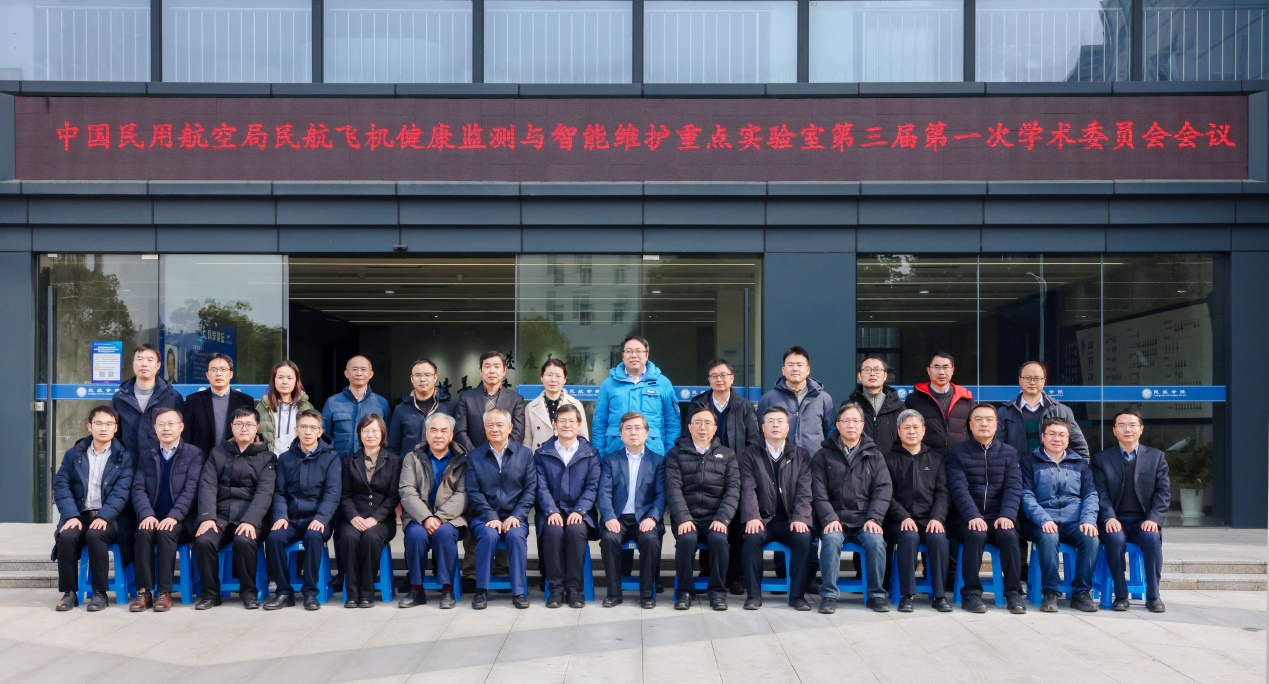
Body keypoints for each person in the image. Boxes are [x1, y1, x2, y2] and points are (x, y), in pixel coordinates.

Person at [52, 406, 136, 611]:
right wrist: (71, 515)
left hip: (111, 518)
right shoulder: (74, 454)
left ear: (116, 428)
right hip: (80, 515)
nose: (103, 428)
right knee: (66, 536)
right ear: (90, 426)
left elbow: (122, 493)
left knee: (95, 535)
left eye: (109, 424)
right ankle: (69, 593)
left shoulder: (125, 457)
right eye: (98, 423)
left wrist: (104, 516)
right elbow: (61, 485)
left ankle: (100, 593)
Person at [811, 402, 892, 614]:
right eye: (846, 421)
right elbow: (818, 492)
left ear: (862, 425)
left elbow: (883, 489)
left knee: (876, 542)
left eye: (856, 421)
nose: (851, 425)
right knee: (831, 540)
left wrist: (874, 518)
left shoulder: (874, 455)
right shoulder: (823, 455)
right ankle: (828, 595)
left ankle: (876, 595)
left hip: (864, 519)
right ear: (837, 425)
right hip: (835, 518)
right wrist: (829, 518)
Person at [945, 403, 1026, 614]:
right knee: (976, 535)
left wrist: (1007, 515)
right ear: (970, 425)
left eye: (989, 419)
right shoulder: (956, 453)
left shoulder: (1009, 453)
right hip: (967, 518)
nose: (984, 424)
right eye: (978, 419)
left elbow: (1014, 487)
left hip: (999, 517)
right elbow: (958, 488)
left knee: (1009, 535)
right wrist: (972, 515)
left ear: (996, 425)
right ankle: (971, 594)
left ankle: (1013, 592)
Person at [688, 358, 760, 595]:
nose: (719, 379)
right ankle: (708, 570)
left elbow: (753, 441)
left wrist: (743, 470)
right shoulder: (698, 404)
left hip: (735, 471)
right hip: (704, 470)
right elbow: (687, 436)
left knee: (735, 523)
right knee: (708, 517)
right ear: (709, 380)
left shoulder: (744, 406)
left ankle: (735, 574)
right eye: (714, 375)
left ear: (732, 378)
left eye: (724, 375)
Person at [192, 407, 276, 610]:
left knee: (244, 540)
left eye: (249, 424)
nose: (244, 428)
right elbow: (207, 486)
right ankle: (210, 594)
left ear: (256, 427)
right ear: (232, 427)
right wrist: (207, 517)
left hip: (250, 517)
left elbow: (264, 493)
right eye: (239, 424)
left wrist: (250, 520)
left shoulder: (267, 458)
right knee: (203, 541)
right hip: (220, 516)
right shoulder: (217, 453)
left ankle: (249, 593)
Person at [1091, 409, 1169, 613]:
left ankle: (1153, 595)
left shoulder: (1156, 457)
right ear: (1114, 430)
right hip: (1115, 519)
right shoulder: (1102, 458)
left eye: (1132, 425)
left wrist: (1154, 518)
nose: (1128, 429)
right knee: (1114, 539)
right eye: (1122, 425)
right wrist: (1108, 517)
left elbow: (1163, 493)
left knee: (1152, 538)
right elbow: (1100, 492)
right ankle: (1120, 594)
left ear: (1141, 429)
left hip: (1144, 520)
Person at [1020, 417, 1100, 613]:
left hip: (1074, 521)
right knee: (1049, 537)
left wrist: (1088, 520)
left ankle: (1081, 593)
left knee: (1091, 538)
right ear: (1043, 437)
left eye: (1062, 435)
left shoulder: (1080, 463)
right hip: (1041, 521)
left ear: (1068, 438)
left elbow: (1091, 495)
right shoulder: (1030, 462)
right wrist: (1043, 519)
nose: (1057, 439)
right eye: (1052, 434)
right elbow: (1025, 495)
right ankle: (1050, 591)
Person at [264, 409, 342, 611]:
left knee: (313, 537)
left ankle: (310, 593)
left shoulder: (331, 457)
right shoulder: (285, 459)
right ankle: (284, 592)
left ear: (320, 431)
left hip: (317, 518)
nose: (308, 432)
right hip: (291, 518)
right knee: (274, 538)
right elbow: (280, 492)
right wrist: (281, 516)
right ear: (296, 429)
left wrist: (321, 518)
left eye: (313, 428)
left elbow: (332, 493)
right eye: (304, 427)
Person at [738, 406, 813, 611]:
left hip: (790, 519)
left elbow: (805, 491)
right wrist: (752, 516)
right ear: (763, 427)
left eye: (780, 421)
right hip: (763, 519)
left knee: (803, 538)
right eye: (770, 421)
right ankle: (753, 595)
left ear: (788, 427)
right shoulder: (749, 454)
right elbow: (747, 488)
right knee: (751, 537)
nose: (775, 425)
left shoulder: (801, 455)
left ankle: (797, 596)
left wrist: (800, 517)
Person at [665, 405, 739, 611]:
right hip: (687, 517)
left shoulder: (728, 455)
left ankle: (717, 592)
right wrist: (683, 518)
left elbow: (733, 490)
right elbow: (673, 489)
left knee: (719, 540)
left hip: (715, 518)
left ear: (715, 428)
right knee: (686, 540)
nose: (702, 427)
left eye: (708, 423)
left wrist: (723, 518)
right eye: (697, 423)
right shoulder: (676, 454)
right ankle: (684, 592)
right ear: (689, 427)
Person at [130, 407, 203, 612]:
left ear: (181, 427)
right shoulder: (147, 455)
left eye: (171, 424)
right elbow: (138, 488)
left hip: (182, 520)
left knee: (166, 532)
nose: (166, 428)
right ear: (155, 428)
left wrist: (174, 516)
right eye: (161, 424)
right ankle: (144, 592)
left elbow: (191, 490)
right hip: (153, 516)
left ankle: (164, 592)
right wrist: (147, 514)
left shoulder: (194, 454)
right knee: (143, 533)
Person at [466, 408, 537, 609]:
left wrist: (517, 515)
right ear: (484, 428)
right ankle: (481, 590)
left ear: (510, 427)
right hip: (484, 517)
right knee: (488, 536)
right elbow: (473, 491)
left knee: (515, 536)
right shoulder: (475, 456)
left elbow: (530, 490)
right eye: (490, 425)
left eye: (499, 425)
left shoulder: (524, 455)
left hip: (515, 516)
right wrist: (490, 515)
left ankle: (519, 591)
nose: (495, 429)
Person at [883, 409, 951, 613]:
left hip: (929, 519)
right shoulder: (887, 459)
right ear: (899, 431)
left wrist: (937, 518)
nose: (911, 431)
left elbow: (943, 493)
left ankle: (939, 595)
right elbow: (885, 494)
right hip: (898, 521)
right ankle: (907, 595)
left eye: (915, 427)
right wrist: (903, 516)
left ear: (923, 430)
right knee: (909, 537)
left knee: (939, 539)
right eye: (906, 428)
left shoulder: (936, 459)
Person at [398, 412, 468, 609]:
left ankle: (447, 589)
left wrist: (438, 517)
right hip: (418, 517)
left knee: (445, 533)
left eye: (444, 431)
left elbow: (463, 494)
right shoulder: (412, 458)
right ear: (426, 434)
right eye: (434, 430)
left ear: (451, 435)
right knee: (415, 535)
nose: (438, 435)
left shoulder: (462, 460)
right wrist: (426, 517)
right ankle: (416, 589)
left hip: (451, 518)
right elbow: (407, 491)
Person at [534, 404, 600, 609]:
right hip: (551, 511)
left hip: (581, 513)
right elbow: (540, 486)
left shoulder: (590, 453)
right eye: (562, 421)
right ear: (554, 424)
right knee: (553, 531)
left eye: (572, 421)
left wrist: (580, 510)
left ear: (579, 425)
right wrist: (551, 510)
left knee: (575, 530)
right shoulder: (542, 453)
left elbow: (593, 486)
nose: (567, 425)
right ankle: (555, 589)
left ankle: (574, 589)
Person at [598, 412, 665, 609]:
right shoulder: (611, 459)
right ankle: (613, 593)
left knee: (650, 540)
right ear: (621, 434)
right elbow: (604, 492)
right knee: (609, 539)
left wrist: (653, 517)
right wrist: (609, 517)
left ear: (647, 433)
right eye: (628, 428)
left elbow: (662, 494)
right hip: (618, 518)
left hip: (645, 518)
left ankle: (647, 594)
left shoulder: (658, 460)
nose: (633, 432)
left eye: (638, 428)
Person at [337, 414, 402, 608]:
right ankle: (352, 593)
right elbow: (344, 495)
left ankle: (367, 592)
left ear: (382, 434)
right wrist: (353, 516)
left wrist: (376, 518)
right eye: (365, 431)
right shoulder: (349, 461)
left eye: (375, 431)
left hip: (382, 520)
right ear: (359, 434)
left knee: (371, 538)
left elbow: (394, 496)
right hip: (353, 518)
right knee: (348, 537)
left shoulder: (394, 461)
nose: (370, 435)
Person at [592, 335, 680, 457]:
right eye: (629, 351)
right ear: (623, 355)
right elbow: (599, 424)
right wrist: (599, 457)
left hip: (654, 454)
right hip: (615, 452)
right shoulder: (609, 384)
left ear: (647, 355)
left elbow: (672, 423)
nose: (634, 355)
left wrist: (670, 457)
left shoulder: (663, 383)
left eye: (639, 351)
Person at [996, 361, 1089, 460]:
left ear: (1044, 381)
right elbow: (996, 448)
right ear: (1020, 380)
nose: (1032, 382)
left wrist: (1081, 468)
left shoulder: (1061, 411)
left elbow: (1079, 447)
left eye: (1037, 378)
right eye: (1027, 378)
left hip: (1051, 468)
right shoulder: (1005, 411)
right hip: (1016, 468)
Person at [113, 343, 185, 459]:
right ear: (133, 363)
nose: (144, 364)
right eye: (139, 359)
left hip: (161, 463)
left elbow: (182, 434)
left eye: (150, 360)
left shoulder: (172, 397)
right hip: (128, 463)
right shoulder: (120, 397)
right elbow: (115, 434)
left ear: (158, 365)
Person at [757, 346, 834, 453]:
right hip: (780, 460)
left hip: (814, 460)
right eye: (790, 365)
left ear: (807, 370)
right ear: (783, 370)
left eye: (799, 365)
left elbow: (830, 433)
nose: (795, 369)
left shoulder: (823, 399)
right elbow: (761, 433)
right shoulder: (768, 399)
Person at [182, 353, 255, 458]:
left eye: (223, 369)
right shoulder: (194, 400)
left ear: (231, 374)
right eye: (213, 370)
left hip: (236, 461)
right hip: (203, 461)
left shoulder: (245, 401)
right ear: (207, 375)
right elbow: (187, 436)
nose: (218, 374)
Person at [904, 352, 974, 456]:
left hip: (960, 458)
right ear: (929, 370)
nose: (941, 372)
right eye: (936, 367)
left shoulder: (965, 398)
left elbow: (973, 431)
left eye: (946, 367)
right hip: (927, 459)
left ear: (952, 370)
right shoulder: (914, 399)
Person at [321, 355, 392, 456]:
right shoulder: (332, 402)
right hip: (340, 462)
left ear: (371, 374)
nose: (359, 373)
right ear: (346, 373)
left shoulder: (382, 403)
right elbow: (324, 435)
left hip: (372, 462)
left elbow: (387, 436)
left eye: (363, 369)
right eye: (354, 369)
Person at [387, 358, 456, 458]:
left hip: (442, 464)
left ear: (435, 377)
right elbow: (393, 447)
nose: (422, 379)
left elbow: (457, 443)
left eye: (427, 375)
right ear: (412, 379)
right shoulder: (400, 410)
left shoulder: (450, 407)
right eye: (418, 375)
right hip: (409, 465)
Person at [524, 358, 589, 451]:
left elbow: (583, 439)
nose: (553, 380)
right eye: (549, 375)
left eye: (558, 376)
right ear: (542, 377)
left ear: (565, 379)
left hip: (568, 457)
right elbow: (527, 442)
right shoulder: (531, 407)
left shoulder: (576, 405)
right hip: (539, 458)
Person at [849, 357, 905, 457]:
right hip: (860, 463)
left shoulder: (899, 407)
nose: (872, 373)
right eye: (867, 370)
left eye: (877, 370)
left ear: (885, 375)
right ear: (859, 376)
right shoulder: (850, 407)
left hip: (892, 463)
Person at [256, 360, 315, 455]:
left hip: (298, 460)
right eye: (280, 377)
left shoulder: (306, 407)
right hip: (269, 461)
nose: (284, 382)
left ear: (296, 381)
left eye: (289, 378)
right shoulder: (263, 406)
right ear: (274, 380)